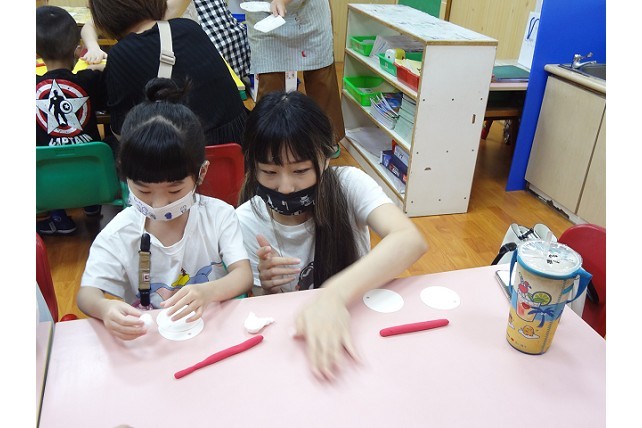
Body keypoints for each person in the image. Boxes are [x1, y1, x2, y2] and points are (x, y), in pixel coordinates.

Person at [235, 91, 428, 379]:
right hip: (299, 343)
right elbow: (265, 317)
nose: (285, 187)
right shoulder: (246, 221)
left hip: (362, 323)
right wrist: (268, 288)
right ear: (252, 166)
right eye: (270, 172)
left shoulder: (349, 185)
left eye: (300, 170)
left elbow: (409, 240)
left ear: (325, 157)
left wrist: (333, 295)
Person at [78, 78, 253, 341]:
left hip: (212, 334)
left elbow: (243, 275)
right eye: (144, 191)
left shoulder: (219, 216)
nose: (159, 204)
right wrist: (104, 308)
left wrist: (208, 292)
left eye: (174, 190)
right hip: (152, 341)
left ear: (201, 173)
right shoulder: (119, 233)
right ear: (124, 174)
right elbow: (86, 294)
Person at [87, 0, 248, 145]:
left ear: (105, 16)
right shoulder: (189, 27)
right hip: (237, 147)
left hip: (183, 158)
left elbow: (121, 131)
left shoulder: (121, 54)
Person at [36, 5, 107, 235]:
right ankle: (91, 203)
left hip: (48, 181)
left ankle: (56, 216)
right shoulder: (91, 80)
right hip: (93, 177)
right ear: (77, 48)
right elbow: (103, 73)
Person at [245, 0, 344, 157]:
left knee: (321, 77)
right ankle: (269, 141)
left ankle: (326, 137)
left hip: (308, 11)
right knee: (269, 81)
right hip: (265, 14)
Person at [81, 0, 250, 79]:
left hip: (182, 64)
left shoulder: (165, 10)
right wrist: (93, 47)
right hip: (150, 68)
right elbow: (90, 26)